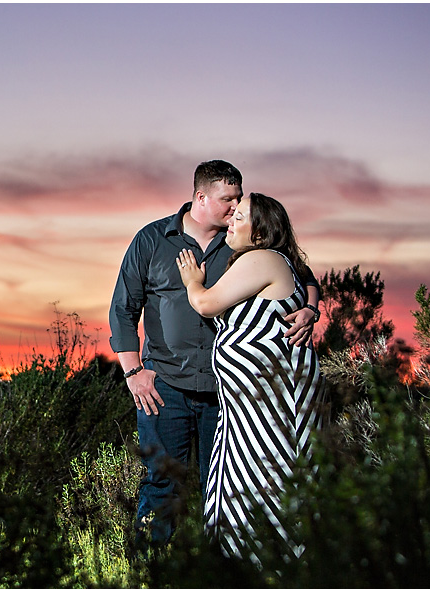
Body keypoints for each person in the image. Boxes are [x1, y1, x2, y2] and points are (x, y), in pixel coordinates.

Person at [109, 161, 320, 547]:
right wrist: (133, 371)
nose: (235, 205)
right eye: (229, 199)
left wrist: (310, 309)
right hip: (164, 385)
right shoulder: (153, 239)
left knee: (223, 484)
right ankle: (149, 573)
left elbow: (302, 275)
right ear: (201, 197)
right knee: (161, 483)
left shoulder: (243, 242)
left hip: (224, 393)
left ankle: (215, 573)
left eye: (239, 199)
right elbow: (124, 308)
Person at [176, 191, 325, 563]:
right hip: (248, 408)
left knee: (265, 484)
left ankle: (265, 568)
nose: (230, 221)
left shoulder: (263, 259)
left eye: (239, 217)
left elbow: (207, 303)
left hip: (266, 405)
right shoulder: (267, 261)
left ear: (260, 234)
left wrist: (193, 281)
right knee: (245, 484)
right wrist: (310, 306)